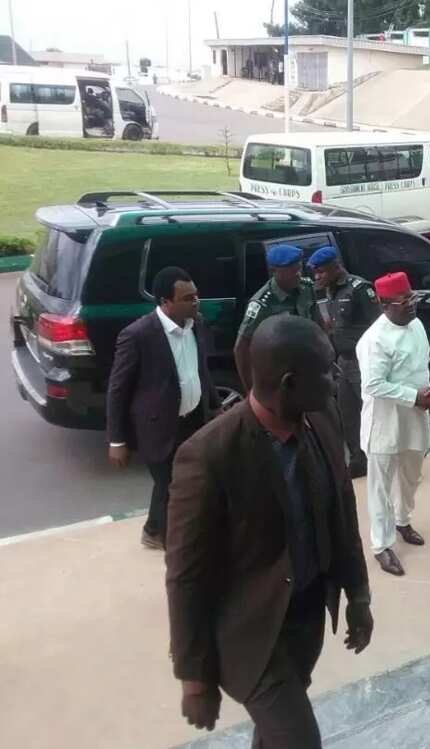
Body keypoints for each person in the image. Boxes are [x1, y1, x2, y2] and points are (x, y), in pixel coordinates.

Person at [166, 315, 373, 748]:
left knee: (276, 735)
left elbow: (343, 515)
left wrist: (358, 596)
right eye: (326, 370)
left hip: (306, 617)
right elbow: (185, 574)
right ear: (289, 382)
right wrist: (194, 677)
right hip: (248, 634)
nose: (335, 380)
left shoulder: (323, 421)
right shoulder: (208, 456)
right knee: (299, 740)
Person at [107, 267, 219, 550]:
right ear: (165, 302)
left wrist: (215, 407)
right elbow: (118, 390)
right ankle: (168, 539)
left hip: (193, 419)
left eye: (196, 296)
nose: (196, 302)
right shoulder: (137, 336)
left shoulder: (198, 325)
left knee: (185, 481)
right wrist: (117, 440)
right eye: (187, 298)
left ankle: (156, 530)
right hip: (158, 426)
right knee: (170, 484)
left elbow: (201, 371)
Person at [357, 272, 430, 577]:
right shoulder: (374, 340)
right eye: (404, 302)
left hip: (415, 415)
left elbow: (421, 366)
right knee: (380, 487)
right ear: (384, 304)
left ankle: (403, 521)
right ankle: (382, 545)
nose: (412, 306)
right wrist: (414, 396)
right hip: (385, 422)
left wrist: (426, 395)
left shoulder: (416, 325)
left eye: (412, 298)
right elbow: (374, 384)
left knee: (411, 475)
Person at [307, 245, 380, 479]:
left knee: (372, 411)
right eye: (314, 273)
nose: (317, 277)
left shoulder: (359, 288)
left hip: (364, 362)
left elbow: (378, 326)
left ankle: (380, 458)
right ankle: (359, 461)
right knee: (348, 414)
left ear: (335, 267)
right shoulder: (330, 290)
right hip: (344, 362)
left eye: (321, 272)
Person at [235, 244, 319, 392]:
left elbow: (318, 323)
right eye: (292, 271)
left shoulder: (307, 288)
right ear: (274, 271)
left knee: (328, 411)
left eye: (299, 269)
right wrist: (251, 390)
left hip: (309, 367)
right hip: (281, 375)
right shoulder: (262, 303)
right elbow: (241, 347)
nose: (298, 274)